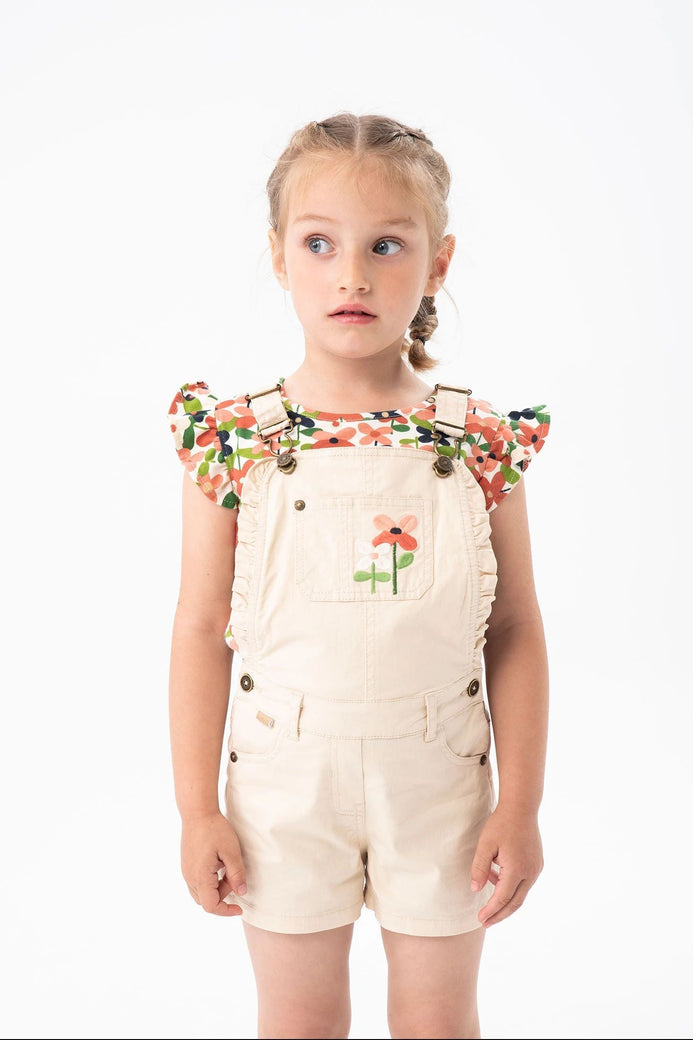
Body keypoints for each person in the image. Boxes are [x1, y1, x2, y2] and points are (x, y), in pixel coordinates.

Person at [167, 111, 551, 1040]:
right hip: (283, 781)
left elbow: (513, 627)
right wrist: (195, 809)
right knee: (298, 1021)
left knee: (436, 1021)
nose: (351, 275)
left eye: (385, 245)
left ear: (437, 262)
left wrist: (520, 805)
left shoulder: (474, 439)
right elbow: (201, 626)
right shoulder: (236, 439)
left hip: (439, 778)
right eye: (319, 244)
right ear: (277, 256)